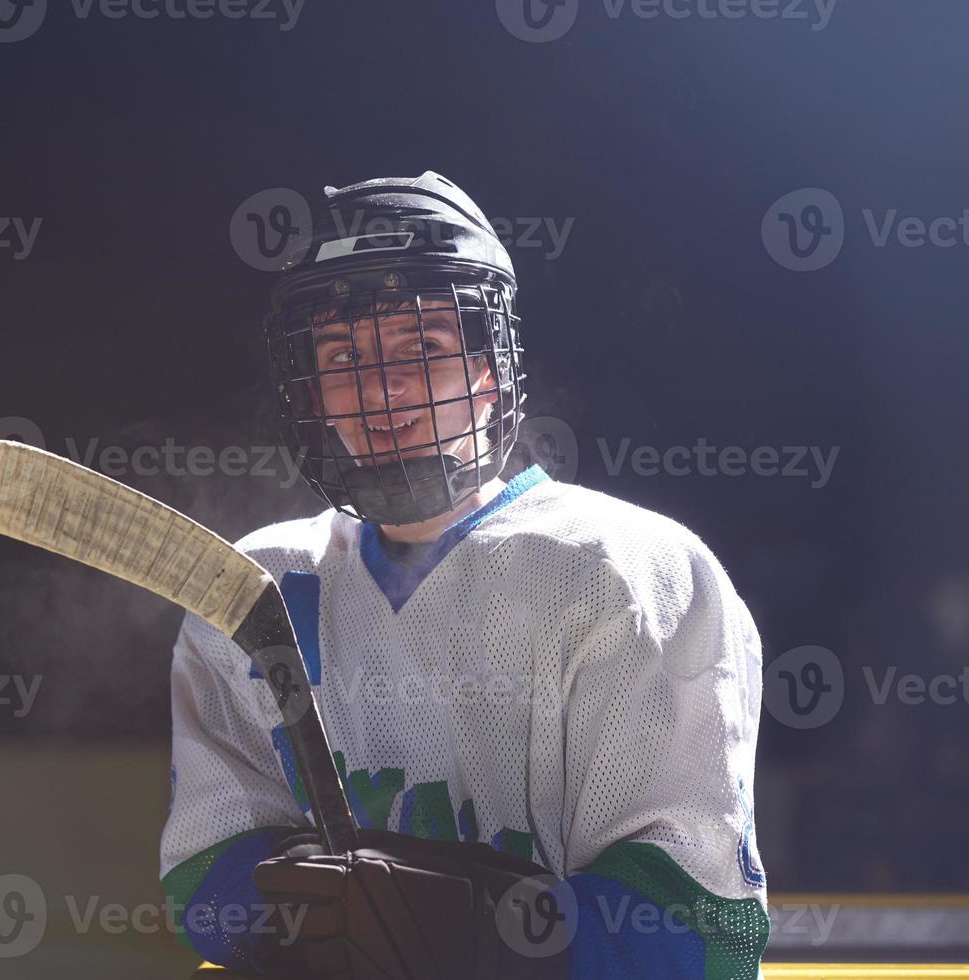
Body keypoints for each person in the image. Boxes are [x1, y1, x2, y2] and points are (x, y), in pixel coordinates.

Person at [159, 171, 769, 978]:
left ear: (490, 369)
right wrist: (287, 917)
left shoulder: (628, 571)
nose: (381, 386)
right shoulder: (254, 585)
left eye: (422, 346)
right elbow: (205, 871)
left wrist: (477, 932)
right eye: (343, 354)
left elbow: (698, 929)